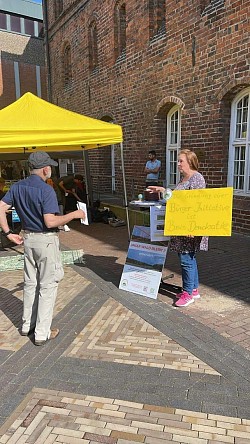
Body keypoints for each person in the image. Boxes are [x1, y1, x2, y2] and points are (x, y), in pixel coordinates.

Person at [0, 151, 85, 346]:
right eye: (50, 167)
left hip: (27, 239)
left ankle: (26, 326)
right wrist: (74, 214)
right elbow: (50, 221)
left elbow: (0, 207)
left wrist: (7, 233)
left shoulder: (18, 186)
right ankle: (41, 333)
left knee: (30, 283)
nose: (51, 170)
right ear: (45, 169)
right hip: (45, 241)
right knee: (47, 285)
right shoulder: (46, 190)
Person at [148, 149, 208, 308]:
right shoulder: (183, 179)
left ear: (190, 162)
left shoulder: (197, 178)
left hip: (188, 227)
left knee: (186, 259)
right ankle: (193, 289)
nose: (178, 163)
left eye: (181, 161)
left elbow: (197, 204)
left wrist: (192, 226)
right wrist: (162, 191)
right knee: (190, 258)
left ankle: (188, 294)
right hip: (181, 225)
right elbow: (177, 199)